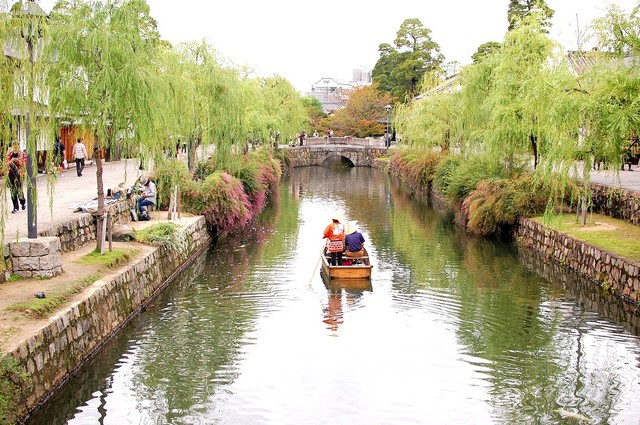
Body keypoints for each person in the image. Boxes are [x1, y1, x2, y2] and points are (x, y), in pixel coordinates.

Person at [6, 141, 26, 213]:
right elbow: (6, 164)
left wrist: (17, 160)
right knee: (13, 191)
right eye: (13, 144)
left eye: (16, 144)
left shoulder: (22, 154)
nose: (14, 146)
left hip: (18, 174)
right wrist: (10, 161)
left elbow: (24, 163)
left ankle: (22, 202)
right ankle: (15, 207)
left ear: (18, 145)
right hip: (11, 174)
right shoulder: (9, 154)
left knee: (19, 190)